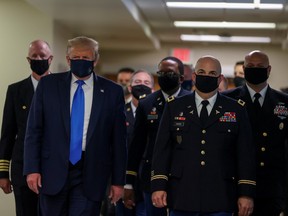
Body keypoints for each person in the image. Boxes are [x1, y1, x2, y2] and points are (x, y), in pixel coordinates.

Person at [23, 36, 127, 216]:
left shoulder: (112, 92)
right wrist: (32, 169)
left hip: (91, 171)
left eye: (86, 58)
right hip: (52, 169)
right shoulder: (48, 85)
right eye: (76, 58)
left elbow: (118, 140)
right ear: (67, 59)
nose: (81, 62)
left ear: (95, 60)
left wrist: (118, 181)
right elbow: (34, 130)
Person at [151, 55, 256, 216]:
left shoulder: (236, 109)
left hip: (221, 195)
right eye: (201, 71)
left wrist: (246, 193)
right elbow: (162, 150)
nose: (206, 76)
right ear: (193, 76)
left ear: (220, 78)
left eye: (212, 73)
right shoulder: (174, 106)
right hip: (182, 194)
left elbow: (245, 155)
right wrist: (158, 185)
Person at [223, 50, 288, 216]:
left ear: (269, 69)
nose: (255, 69)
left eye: (260, 66)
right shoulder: (227, 100)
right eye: (250, 66)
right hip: (235, 185)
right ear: (244, 69)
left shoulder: (284, 102)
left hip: (272, 187)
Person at [124, 56, 190, 216]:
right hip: (151, 175)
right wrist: (129, 184)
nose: (165, 75)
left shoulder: (190, 102)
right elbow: (136, 145)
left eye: (170, 73)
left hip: (183, 177)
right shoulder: (147, 103)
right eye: (161, 72)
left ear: (181, 78)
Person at [0, 39, 53, 216]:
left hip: (53, 167)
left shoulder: (62, 88)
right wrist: (2, 173)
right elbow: (7, 133)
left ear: (50, 59)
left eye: (42, 56)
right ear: (28, 60)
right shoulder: (15, 90)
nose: (38, 59)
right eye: (34, 56)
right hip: (22, 168)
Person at [116, 69, 154, 216]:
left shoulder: (159, 113)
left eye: (146, 83)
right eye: (137, 82)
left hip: (147, 180)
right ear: (130, 87)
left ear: (152, 88)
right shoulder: (119, 112)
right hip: (122, 179)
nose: (141, 85)